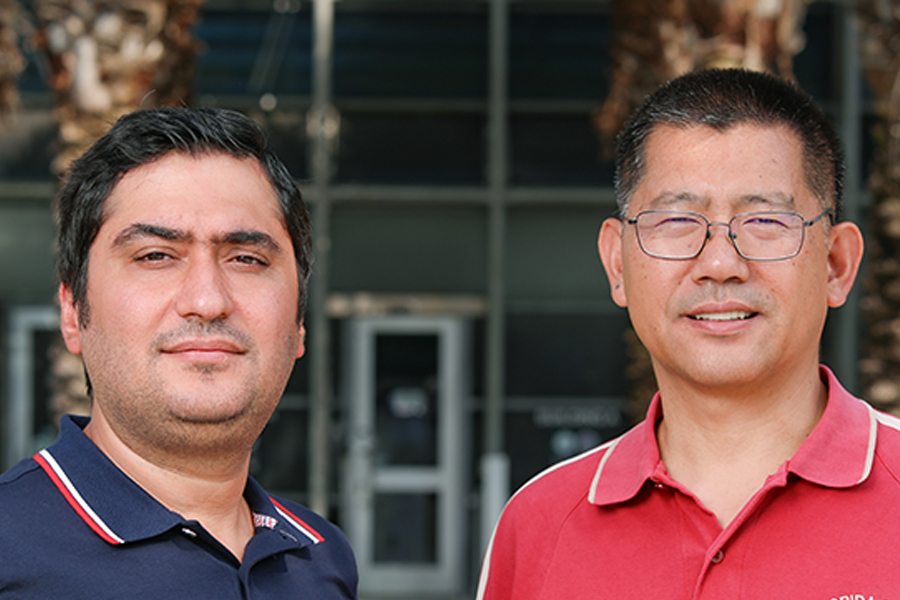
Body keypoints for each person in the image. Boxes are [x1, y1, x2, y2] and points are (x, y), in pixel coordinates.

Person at [476, 68, 900, 598]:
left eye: (765, 223)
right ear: (617, 264)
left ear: (836, 264)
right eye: (676, 222)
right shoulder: (539, 523)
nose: (720, 264)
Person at [0, 107, 357, 598]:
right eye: (155, 256)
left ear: (298, 323)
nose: (207, 300)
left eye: (247, 259)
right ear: (72, 312)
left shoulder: (319, 557)